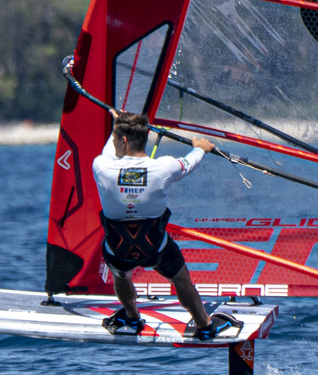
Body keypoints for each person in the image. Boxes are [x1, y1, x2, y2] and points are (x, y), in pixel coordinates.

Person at [92, 110, 239, 341]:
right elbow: (190, 162)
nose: (113, 142)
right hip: (156, 250)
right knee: (181, 279)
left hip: (118, 251)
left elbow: (108, 152)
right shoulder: (164, 167)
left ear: (123, 141)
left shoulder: (102, 167)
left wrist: (117, 122)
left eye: (115, 138)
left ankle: (132, 317)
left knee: (121, 274)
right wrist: (201, 147)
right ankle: (204, 325)